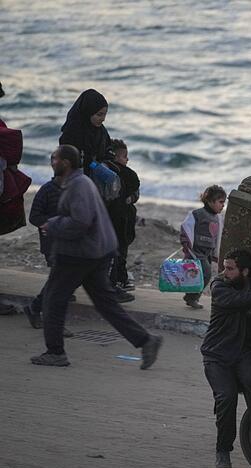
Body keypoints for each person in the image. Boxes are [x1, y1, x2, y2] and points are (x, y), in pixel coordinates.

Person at [29, 145, 162, 368]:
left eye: (55, 159)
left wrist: (52, 224)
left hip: (78, 254)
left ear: (66, 163)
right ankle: (146, 341)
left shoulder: (77, 186)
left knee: (53, 300)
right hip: (96, 251)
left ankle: (55, 352)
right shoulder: (79, 183)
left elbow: (81, 221)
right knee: (106, 304)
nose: (52, 162)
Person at [202, 249, 251, 468]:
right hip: (217, 354)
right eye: (224, 267)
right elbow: (241, 300)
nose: (224, 272)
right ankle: (223, 450)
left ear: (244, 271)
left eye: (230, 268)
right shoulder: (219, 287)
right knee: (226, 397)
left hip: (243, 353)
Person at [24, 174, 76, 332]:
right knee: (60, 284)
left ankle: (35, 308)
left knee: (59, 283)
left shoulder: (74, 189)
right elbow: (34, 217)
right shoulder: (47, 190)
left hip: (69, 243)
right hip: (52, 244)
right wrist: (54, 223)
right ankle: (53, 322)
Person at [180, 185, 226, 309]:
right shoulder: (197, 214)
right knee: (206, 274)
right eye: (220, 202)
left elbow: (218, 236)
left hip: (208, 253)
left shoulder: (218, 218)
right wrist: (186, 244)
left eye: (224, 203)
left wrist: (216, 253)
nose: (223, 205)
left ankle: (190, 296)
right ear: (210, 201)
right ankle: (192, 297)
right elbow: (186, 227)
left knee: (199, 275)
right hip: (196, 252)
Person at [106, 139, 140, 291]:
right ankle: (118, 279)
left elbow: (135, 193)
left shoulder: (126, 174)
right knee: (119, 253)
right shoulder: (116, 173)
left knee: (119, 252)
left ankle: (120, 278)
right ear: (116, 157)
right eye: (125, 156)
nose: (127, 159)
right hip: (120, 220)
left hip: (121, 219)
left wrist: (130, 198)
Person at [58, 89, 113, 175]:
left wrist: (106, 165)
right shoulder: (71, 133)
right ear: (88, 112)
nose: (103, 119)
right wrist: (96, 166)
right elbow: (76, 162)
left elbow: (108, 150)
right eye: (99, 114)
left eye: (105, 114)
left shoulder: (101, 131)